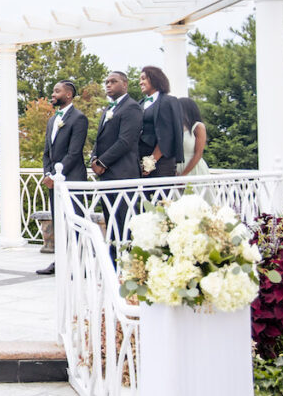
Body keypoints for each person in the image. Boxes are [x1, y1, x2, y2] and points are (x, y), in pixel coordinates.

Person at [36, 81, 89, 276]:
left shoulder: (79, 119)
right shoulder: (52, 120)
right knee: (59, 222)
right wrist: (48, 174)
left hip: (72, 179)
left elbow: (74, 153)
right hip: (54, 181)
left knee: (74, 222)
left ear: (68, 94)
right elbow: (46, 153)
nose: (53, 94)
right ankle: (60, 262)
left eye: (57, 91)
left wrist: (58, 175)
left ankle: (78, 265)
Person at [90, 71, 142, 264]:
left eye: (113, 81)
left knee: (125, 221)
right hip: (107, 176)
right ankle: (113, 263)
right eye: (106, 82)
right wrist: (94, 160)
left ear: (125, 85)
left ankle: (129, 263)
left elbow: (126, 141)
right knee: (110, 220)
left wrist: (103, 163)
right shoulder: (107, 110)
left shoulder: (132, 108)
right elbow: (100, 140)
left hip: (124, 174)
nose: (108, 85)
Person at [137, 66, 183, 178]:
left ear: (155, 79)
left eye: (143, 78)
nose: (140, 83)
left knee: (161, 195)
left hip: (161, 162)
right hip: (140, 161)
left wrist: (151, 162)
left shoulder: (168, 101)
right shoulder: (139, 104)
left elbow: (167, 134)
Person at [178, 97, 210, 177]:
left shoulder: (198, 127)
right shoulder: (178, 128)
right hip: (179, 167)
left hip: (194, 167)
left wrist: (184, 174)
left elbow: (198, 153)